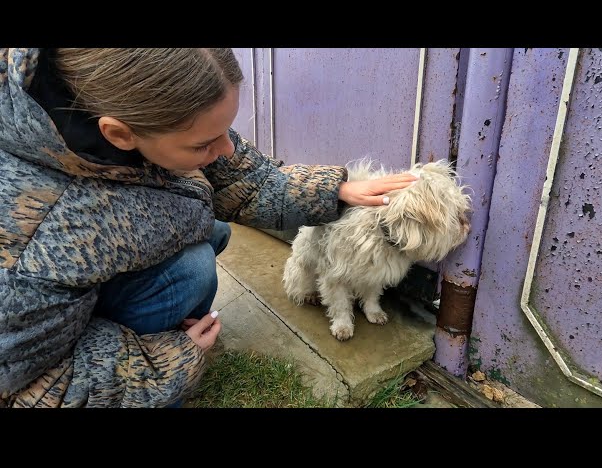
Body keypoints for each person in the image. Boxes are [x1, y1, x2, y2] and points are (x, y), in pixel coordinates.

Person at [0, 48, 418, 408]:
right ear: (119, 134)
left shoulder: (149, 113)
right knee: (192, 269)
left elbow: (245, 179)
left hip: (88, 270)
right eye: (203, 144)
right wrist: (164, 361)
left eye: (226, 131)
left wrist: (336, 191)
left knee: (215, 230)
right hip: (48, 345)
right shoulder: (32, 234)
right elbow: (30, 383)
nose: (226, 150)